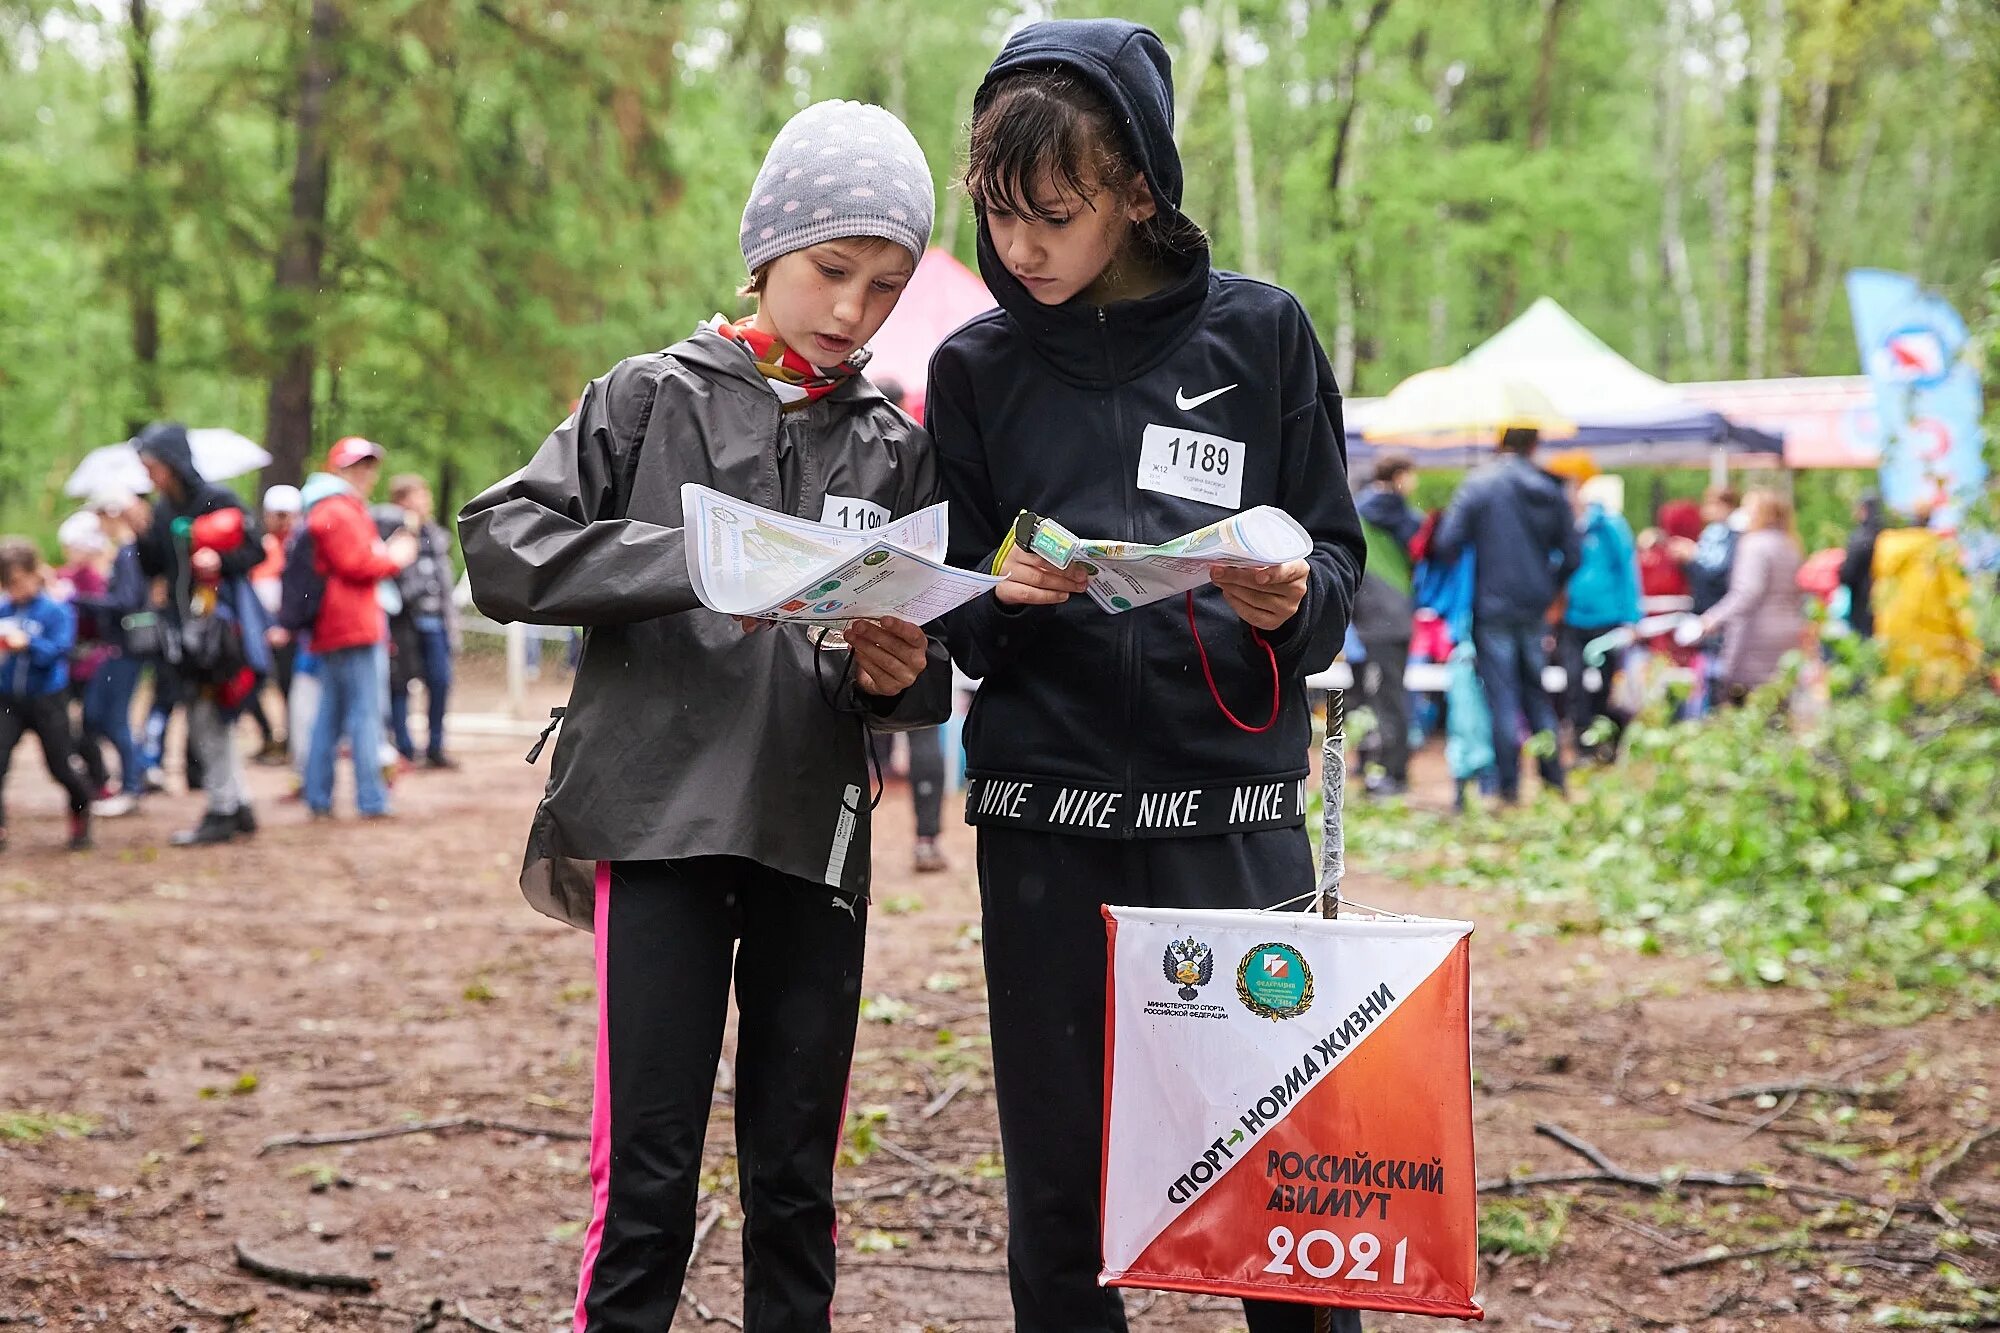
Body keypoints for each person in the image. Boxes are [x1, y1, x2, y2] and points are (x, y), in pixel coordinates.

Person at [460, 100, 947, 1333]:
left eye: (885, 286)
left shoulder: (892, 444)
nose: (852, 308)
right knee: (650, 1171)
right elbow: (502, 547)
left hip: (811, 833)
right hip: (656, 822)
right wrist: (697, 560)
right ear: (766, 250)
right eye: (831, 270)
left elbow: (926, 670)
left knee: (795, 1172)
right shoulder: (645, 398)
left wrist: (899, 670)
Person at [931, 24, 1365, 1333]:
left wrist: (1295, 598)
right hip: (1042, 826)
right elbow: (948, 601)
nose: (1021, 247)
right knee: (1063, 1191)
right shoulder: (975, 370)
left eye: (1052, 214)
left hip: (1230, 822)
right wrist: (994, 600)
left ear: (1135, 190)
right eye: (999, 215)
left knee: (1274, 1176)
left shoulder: (1265, 337)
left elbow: (1340, 563)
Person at [132, 422, 268, 847]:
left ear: (172, 462)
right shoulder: (162, 509)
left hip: (219, 632)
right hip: (183, 630)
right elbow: (154, 567)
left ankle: (222, 809)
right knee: (207, 715)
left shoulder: (218, 498)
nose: (149, 474)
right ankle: (237, 804)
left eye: (152, 464)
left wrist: (219, 558)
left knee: (212, 716)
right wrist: (140, 534)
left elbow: (255, 550)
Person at [1429, 426, 1578, 803]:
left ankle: (1508, 787)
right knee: (1536, 694)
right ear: (1534, 445)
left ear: (1500, 443)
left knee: (1502, 696)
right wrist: (1547, 585)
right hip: (1533, 606)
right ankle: (1553, 780)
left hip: (1491, 605)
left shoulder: (1479, 484)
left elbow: (1447, 542)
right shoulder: (1551, 488)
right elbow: (1574, 555)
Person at [301, 438, 417, 820]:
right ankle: (372, 799)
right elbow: (356, 564)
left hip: (338, 623)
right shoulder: (337, 508)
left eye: (370, 466)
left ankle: (318, 796)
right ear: (339, 469)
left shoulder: (330, 506)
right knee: (366, 713)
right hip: (352, 623)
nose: (366, 474)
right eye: (358, 466)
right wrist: (394, 558)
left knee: (330, 715)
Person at [865, 377, 951, 871]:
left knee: (857, 734)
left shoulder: (860, 452)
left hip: (860, 610)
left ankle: (852, 837)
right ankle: (926, 841)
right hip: (918, 603)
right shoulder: (921, 453)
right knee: (921, 732)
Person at [0, 538, 95, 852]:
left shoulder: (56, 611)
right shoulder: (4, 610)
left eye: (15, 581)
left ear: (32, 573)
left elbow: (60, 651)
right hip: (8, 699)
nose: (13, 589)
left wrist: (28, 644)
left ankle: (81, 811)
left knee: (61, 766)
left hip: (47, 698)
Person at [1695, 489, 1807, 704]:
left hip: (1755, 639)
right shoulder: (1790, 544)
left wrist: (1712, 619)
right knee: (1778, 701)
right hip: (1787, 634)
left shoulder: (1754, 544)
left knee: (1745, 702)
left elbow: (1747, 593)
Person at [1558, 474, 1641, 759]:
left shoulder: (1609, 526)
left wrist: (1632, 618)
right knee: (1573, 681)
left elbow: (1628, 571)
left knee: (1606, 684)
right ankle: (1582, 744)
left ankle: (1605, 741)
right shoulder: (1562, 528)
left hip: (1607, 619)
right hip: (1571, 619)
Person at [382, 475, 460, 770]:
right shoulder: (392, 532)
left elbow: (443, 583)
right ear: (401, 501)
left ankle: (435, 747)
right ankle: (403, 746)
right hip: (405, 622)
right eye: (417, 495)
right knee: (400, 684)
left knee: (440, 682)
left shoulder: (436, 536)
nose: (424, 501)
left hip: (436, 622)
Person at [1354, 454, 1421, 794]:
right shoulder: (1408, 518)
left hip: (1373, 617)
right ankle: (1393, 772)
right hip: (1394, 616)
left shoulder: (1355, 510)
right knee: (1390, 697)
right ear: (1398, 476)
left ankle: (1389, 773)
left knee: (1380, 696)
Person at [1871, 502, 1979, 698]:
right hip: (1936, 649)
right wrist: (1974, 648)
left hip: (1896, 649)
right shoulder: (1939, 552)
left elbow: (1879, 600)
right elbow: (1960, 603)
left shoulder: (1888, 552)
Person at [55, 510, 117, 797]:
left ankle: (102, 778)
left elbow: (102, 616)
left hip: (93, 661)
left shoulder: (93, 579)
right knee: (64, 727)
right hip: (70, 663)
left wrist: (76, 601)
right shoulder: (63, 577)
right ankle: (95, 777)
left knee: (91, 723)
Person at [247, 485, 303, 763]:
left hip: (291, 631)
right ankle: (271, 736)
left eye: (286, 515)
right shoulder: (261, 549)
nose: (282, 521)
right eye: (277, 515)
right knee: (249, 686)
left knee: (289, 687)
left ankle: (292, 742)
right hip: (262, 629)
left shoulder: (300, 548)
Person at [1838, 491, 1883, 639]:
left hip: (1862, 605)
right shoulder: (1890, 535)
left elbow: (1848, 574)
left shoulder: (1860, 538)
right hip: (1886, 605)